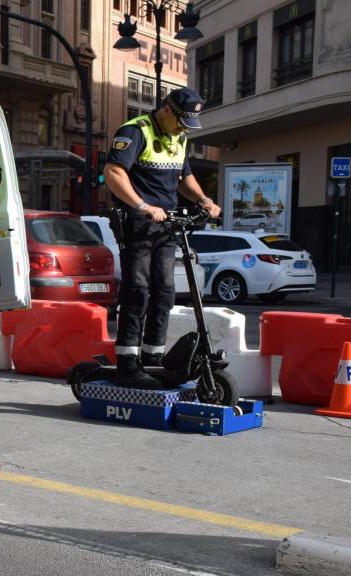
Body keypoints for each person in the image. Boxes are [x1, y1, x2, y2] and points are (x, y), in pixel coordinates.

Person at [103, 87, 222, 389]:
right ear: (167, 109)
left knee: (165, 290)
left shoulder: (178, 136)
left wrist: (205, 200)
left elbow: (184, 178)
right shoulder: (135, 131)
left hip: (168, 224)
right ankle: (128, 363)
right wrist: (143, 206)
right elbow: (114, 173)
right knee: (138, 290)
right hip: (139, 222)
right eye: (181, 121)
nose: (184, 129)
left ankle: (153, 357)